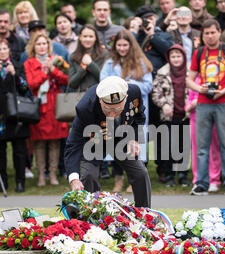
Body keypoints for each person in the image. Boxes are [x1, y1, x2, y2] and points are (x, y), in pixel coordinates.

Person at [64, 76, 151, 208]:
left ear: (126, 98)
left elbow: (139, 116)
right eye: (107, 109)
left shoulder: (134, 92)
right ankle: (90, 217)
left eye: (117, 110)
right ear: (100, 101)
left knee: (141, 173)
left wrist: (134, 138)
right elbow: (74, 143)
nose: (112, 115)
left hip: (121, 139)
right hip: (95, 141)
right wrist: (74, 178)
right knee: (89, 176)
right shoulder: (85, 107)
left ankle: (145, 213)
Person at [187, 18, 225, 196]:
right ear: (202, 35)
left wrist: (223, 92)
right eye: (206, 33)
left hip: (224, 102)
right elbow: (189, 80)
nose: (210, 36)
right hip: (204, 103)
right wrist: (200, 89)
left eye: (213, 32)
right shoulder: (199, 53)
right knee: (202, 146)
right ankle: (201, 184)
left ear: (219, 32)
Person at [100, 30, 153, 193]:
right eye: (119, 45)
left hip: (134, 108)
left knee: (136, 143)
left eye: (125, 45)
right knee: (116, 143)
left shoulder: (141, 62)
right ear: (115, 46)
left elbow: (148, 85)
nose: (122, 48)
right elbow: (102, 83)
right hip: (115, 109)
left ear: (131, 46)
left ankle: (134, 180)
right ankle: (118, 179)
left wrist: (130, 85)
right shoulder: (109, 63)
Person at [134, 5, 174, 184]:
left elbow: (170, 52)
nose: (147, 22)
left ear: (156, 18)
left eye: (150, 18)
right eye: (144, 19)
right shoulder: (135, 37)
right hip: (140, 90)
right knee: (139, 130)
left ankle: (164, 169)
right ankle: (138, 168)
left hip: (159, 89)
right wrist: (137, 31)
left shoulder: (163, 35)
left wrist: (152, 34)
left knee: (161, 131)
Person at [24, 33, 69, 187]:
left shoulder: (56, 60)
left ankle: (52, 174)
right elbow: (32, 84)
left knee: (55, 142)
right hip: (39, 106)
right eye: (39, 44)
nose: (42, 46)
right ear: (33, 46)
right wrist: (45, 73)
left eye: (44, 44)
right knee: (39, 143)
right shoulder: (29, 63)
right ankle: (41, 175)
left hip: (54, 105)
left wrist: (54, 70)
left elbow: (66, 80)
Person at [0, 38, 30, 193]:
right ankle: (2, 182)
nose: (2, 52)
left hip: (16, 114)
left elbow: (25, 88)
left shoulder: (18, 65)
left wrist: (15, 74)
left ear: (9, 50)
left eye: (4, 48)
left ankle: (20, 182)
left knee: (19, 150)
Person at [152, 44, 191, 187]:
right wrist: (164, 104)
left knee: (183, 146)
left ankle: (182, 175)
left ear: (184, 57)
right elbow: (156, 92)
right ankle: (169, 175)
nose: (176, 59)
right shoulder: (162, 73)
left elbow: (195, 90)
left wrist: (191, 104)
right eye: (173, 56)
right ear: (168, 58)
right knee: (168, 146)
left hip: (186, 115)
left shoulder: (190, 72)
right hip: (168, 116)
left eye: (178, 56)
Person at [185, 76, 222, 192]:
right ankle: (198, 180)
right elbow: (188, 104)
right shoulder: (194, 80)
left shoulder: (216, 77)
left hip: (212, 118)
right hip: (195, 118)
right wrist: (192, 104)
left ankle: (214, 180)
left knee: (213, 149)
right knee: (197, 150)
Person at [68, 25, 108, 92]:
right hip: (80, 96)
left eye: (91, 36)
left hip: (99, 94)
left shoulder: (104, 54)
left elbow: (104, 79)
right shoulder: (73, 57)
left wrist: (91, 64)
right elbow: (71, 84)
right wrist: (82, 69)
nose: (88, 39)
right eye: (85, 36)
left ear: (95, 38)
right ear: (80, 37)